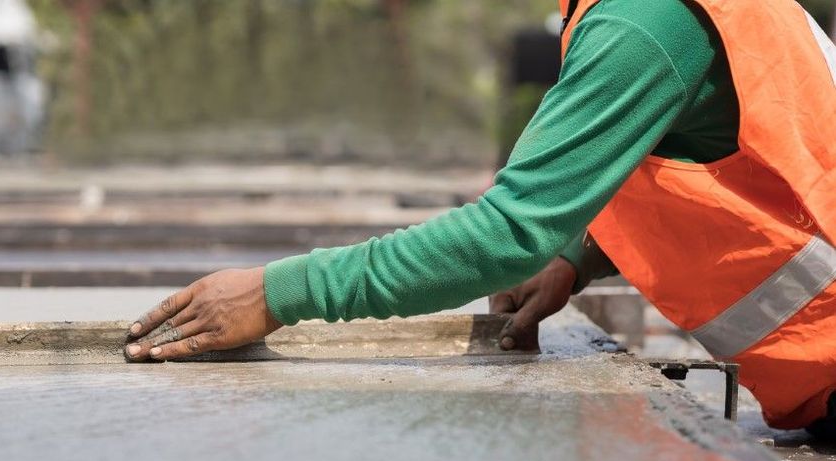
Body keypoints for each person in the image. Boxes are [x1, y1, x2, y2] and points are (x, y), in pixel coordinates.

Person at [125, 0, 836, 435]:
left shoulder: (645, 21)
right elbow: (745, 177)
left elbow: (505, 234)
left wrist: (277, 293)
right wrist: (577, 260)